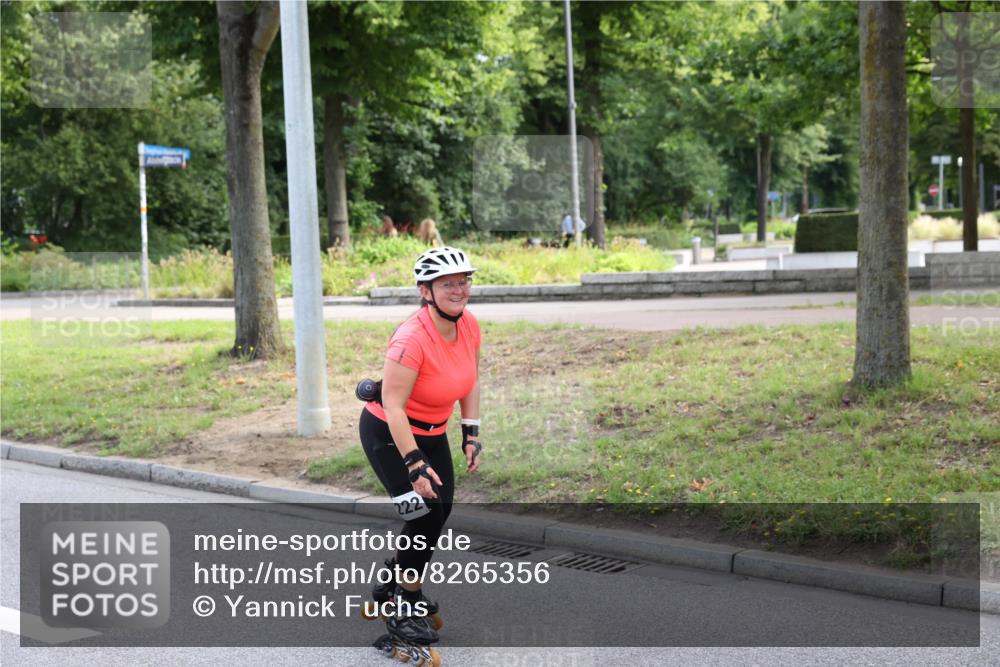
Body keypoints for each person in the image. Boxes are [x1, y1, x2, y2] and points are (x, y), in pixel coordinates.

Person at [359, 246, 483, 647]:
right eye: (447, 283)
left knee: (441, 509)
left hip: (431, 433)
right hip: (389, 435)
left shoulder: (468, 326)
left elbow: (470, 379)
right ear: (425, 291)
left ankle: (394, 581)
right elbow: (392, 406)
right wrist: (413, 463)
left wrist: (471, 432)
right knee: (423, 514)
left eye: (463, 281)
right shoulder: (411, 338)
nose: (458, 290)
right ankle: (404, 604)